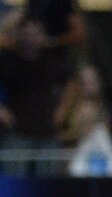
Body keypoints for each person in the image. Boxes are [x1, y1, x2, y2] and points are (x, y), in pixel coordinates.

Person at [0, 14, 73, 176]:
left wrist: (63, 109)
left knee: (48, 185)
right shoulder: (7, 59)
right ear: (19, 33)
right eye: (26, 33)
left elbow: (71, 82)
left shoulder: (51, 59)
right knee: (13, 183)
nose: (30, 39)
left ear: (42, 35)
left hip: (47, 130)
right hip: (16, 131)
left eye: (35, 34)